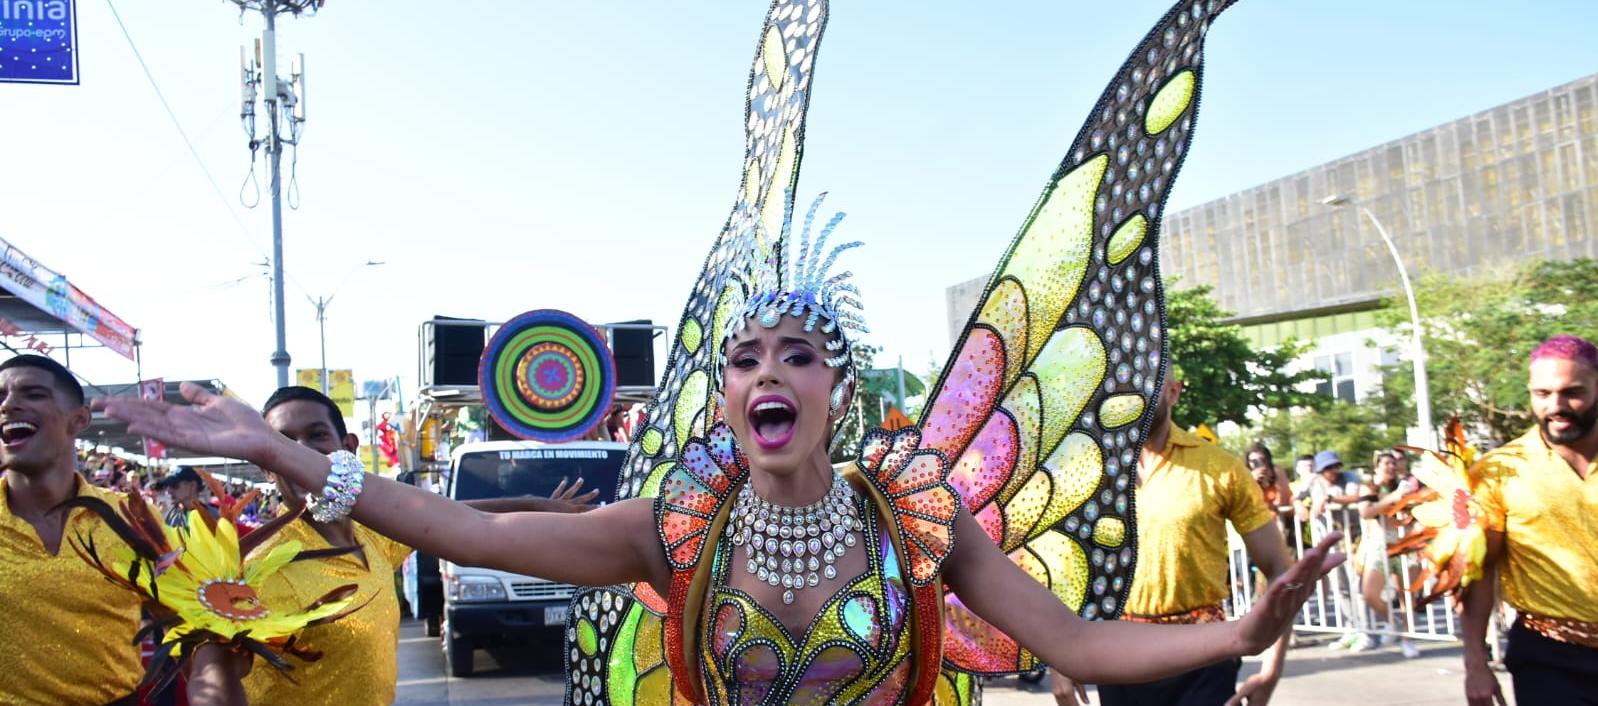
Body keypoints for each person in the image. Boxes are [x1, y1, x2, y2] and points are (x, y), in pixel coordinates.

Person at [226, 385, 601, 705]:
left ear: (349, 447)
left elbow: (454, 514)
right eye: (284, 443)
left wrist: (535, 505)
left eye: (316, 436)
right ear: (267, 465)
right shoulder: (261, 570)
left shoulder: (371, 533)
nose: (303, 453)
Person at [1052, 378, 1296, 706]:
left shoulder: (1220, 469)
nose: (1136, 394)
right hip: (1121, 652)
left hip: (1204, 655)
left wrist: (1271, 671)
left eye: (1150, 382)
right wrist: (1058, 656)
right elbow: (1071, 570)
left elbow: (1281, 569)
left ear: (1174, 391)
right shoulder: (1093, 470)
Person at [0, 354, 144, 704]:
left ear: (79, 419)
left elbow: (189, 621)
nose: (7, 405)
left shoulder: (134, 517)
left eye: (32, 394)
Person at [1463, 335, 1598, 706]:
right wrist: (1475, 661)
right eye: (1542, 394)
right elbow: (1480, 568)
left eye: (1573, 392)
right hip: (1549, 659)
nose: (1556, 406)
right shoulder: (1499, 471)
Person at [1349, 451, 1421, 658]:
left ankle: (1409, 638)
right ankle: (1394, 622)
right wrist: (1392, 498)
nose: (1391, 467)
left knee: (1407, 593)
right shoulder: (1369, 486)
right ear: (1377, 466)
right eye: (1386, 463)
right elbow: (1366, 511)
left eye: (1394, 463)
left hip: (1405, 542)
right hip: (1380, 543)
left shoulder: (1407, 485)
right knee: (1370, 593)